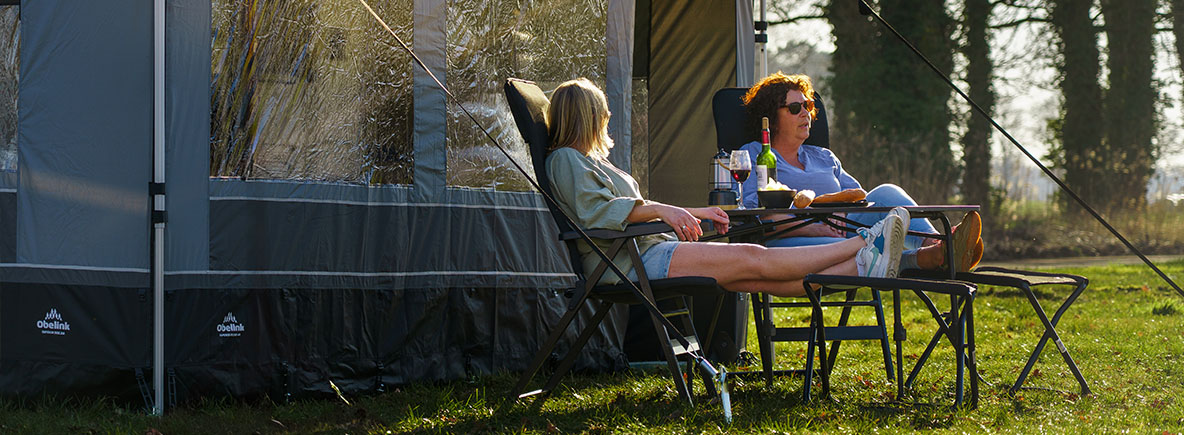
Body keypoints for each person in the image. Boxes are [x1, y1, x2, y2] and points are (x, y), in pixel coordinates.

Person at [544, 78, 920, 297]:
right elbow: (601, 214)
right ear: (588, 116)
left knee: (757, 277)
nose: (607, 118)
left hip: (645, 250)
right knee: (755, 257)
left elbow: (622, 207)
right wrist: (663, 209)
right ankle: (865, 244)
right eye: (602, 112)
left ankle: (868, 263)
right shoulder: (565, 159)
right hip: (627, 262)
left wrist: (693, 211)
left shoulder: (591, 162)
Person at [737, 72, 983, 272]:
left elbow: (862, 199)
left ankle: (941, 247)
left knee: (887, 192)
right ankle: (922, 259)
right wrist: (811, 226)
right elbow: (752, 211)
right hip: (791, 240)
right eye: (794, 108)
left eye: (807, 105)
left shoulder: (823, 157)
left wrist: (841, 212)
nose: (805, 113)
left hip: (846, 228)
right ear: (771, 117)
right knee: (847, 246)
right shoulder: (756, 155)